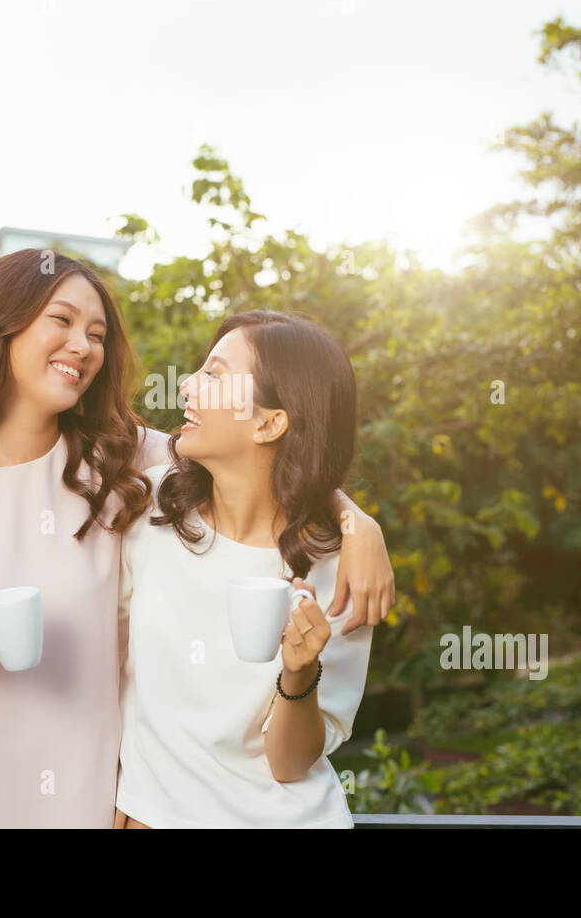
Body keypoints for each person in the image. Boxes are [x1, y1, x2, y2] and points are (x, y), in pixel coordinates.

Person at [0, 249, 394, 827]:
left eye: (97, 333)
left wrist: (358, 525)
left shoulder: (122, 465)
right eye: (61, 321)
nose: (82, 345)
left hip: (78, 799)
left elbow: (273, 462)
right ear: (0, 326)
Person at [114, 310, 371, 828]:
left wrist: (300, 673)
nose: (185, 385)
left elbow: (290, 763)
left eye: (213, 374)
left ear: (270, 422)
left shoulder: (342, 568)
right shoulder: (149, 508)